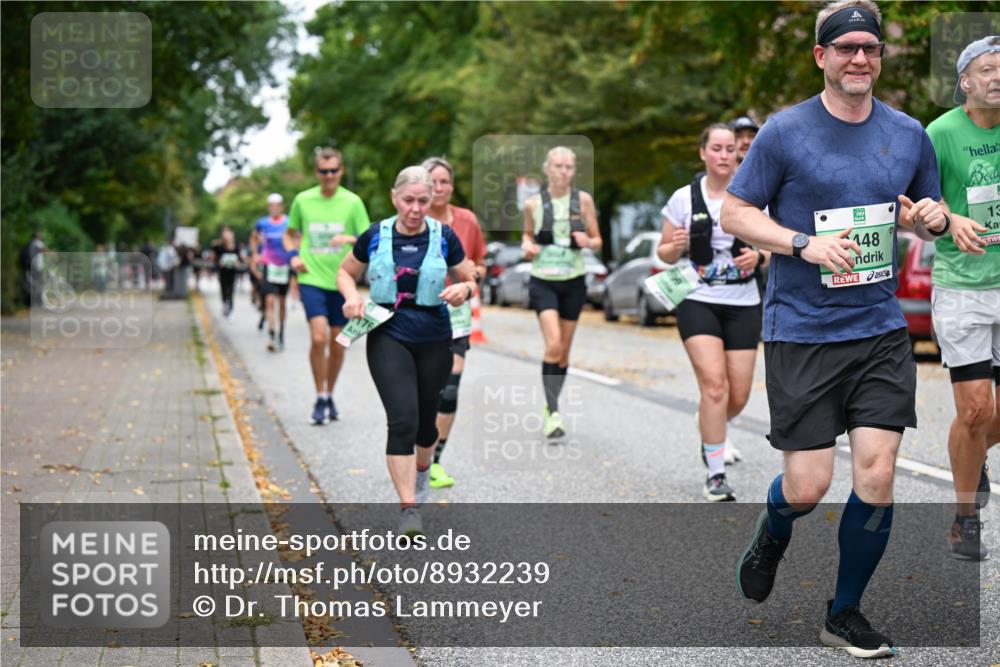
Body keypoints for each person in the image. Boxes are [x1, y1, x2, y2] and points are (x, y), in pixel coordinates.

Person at [722, 0, 948, 658]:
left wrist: (930, 219)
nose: (860, 58)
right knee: (808, 486)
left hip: (878, 327)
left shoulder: (908, 133)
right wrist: (801, 243)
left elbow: (925, 210)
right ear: (822, 55)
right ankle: (774, 525)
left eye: (870, 48)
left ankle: (844, 611)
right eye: (846, 47)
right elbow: (736, 211)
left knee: (877, 473)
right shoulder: (785, 132)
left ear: (880, 57)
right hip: (802, 328)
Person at [337, 166, 476, 536]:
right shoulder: (375, 234)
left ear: (432, 200)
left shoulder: (444, 236)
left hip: (434, 335)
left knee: (426, 426)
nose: (415, 209)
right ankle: (408, 508)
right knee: (402, 420)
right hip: (388, 332)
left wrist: (464, 289)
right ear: (394, 197)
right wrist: (352, 296)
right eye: (408, 200)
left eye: (423, 201)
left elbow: (469, 276)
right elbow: (345, 272)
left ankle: (422, 470)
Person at [917, 35, 1000, 561]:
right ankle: (965, 518)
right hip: (963, 287)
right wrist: (951, 219)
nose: (998, 77)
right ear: (965, 81)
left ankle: (972, 455)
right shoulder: (940, 133)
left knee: (988, 419)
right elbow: (921, 206)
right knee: (975, 409)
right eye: (988, 69)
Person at [656, 123, 766, 502]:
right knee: (714, 387)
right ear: (703, 152)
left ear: (738, 153)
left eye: (730, 148)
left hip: (743, 301)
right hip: (697, 298)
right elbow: (663, 252)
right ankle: (716, 475)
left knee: (738, 395)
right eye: (716, 148)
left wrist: (760, 256)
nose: (723, 155)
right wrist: (675, 246)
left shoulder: (754, 194)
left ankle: (709, 419)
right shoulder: (683, 198)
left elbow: (777, 241)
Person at [521, 147, 603, 439]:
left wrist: (588, 241)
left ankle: (551, 404)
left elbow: (597, 240)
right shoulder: (533, 204)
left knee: (564, 353)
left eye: (568, 166)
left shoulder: (583, 201)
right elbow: (527, 234)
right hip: (543, 281)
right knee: (553, 344)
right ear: (547, 169)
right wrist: (527, 246)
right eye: (558, 166)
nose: (563, 171)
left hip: (573, 281)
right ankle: (553, 412)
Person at [287, 148, 371, 424]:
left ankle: (330, 392)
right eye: (324, 171)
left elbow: (368, 238)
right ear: (316, 172)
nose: (329, 176)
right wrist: (294, 256)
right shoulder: (303, 200)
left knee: (338, 343)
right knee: (318, 338)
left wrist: (348, 238)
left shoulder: (352, 202)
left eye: (334, 170)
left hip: (342, 280)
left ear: (341, 170)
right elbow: (290, 235)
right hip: (311, 277)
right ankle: (320, 395)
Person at [422, 157, 488, 489]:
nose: (439, 187)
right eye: (432, 181)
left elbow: (480, 264)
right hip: (420, 313)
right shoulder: (413, 218)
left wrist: (473, 277)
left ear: (452, 185)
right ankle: (417, 451)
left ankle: (435, 461)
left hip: (456, 314)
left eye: (444, 181)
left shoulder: (467, 221)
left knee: (451, 383)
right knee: (424, 388)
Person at [253, 194, 296, 350]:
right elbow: (254, 237)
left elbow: (297, 237)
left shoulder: (289, 222)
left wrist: (296, 255)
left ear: (282, 207)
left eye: (277, 205)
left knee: (282, 302)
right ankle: (272, 334)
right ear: (268, 207)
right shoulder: (262, 223)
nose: (274, 208)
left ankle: (281, 334)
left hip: (284, 266)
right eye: (271, 205)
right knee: (269, 300)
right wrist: (255, 254)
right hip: (268, 266)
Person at [210, 226, 242, 318]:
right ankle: (225, 304)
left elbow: (239, 258)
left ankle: (231, 308)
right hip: (223, 272)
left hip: (232, 272)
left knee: (231, 290)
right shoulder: (219, 247)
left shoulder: (236, 246)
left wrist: (238, 263)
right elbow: (213, 258)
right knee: (224, 289)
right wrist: (218, 262)